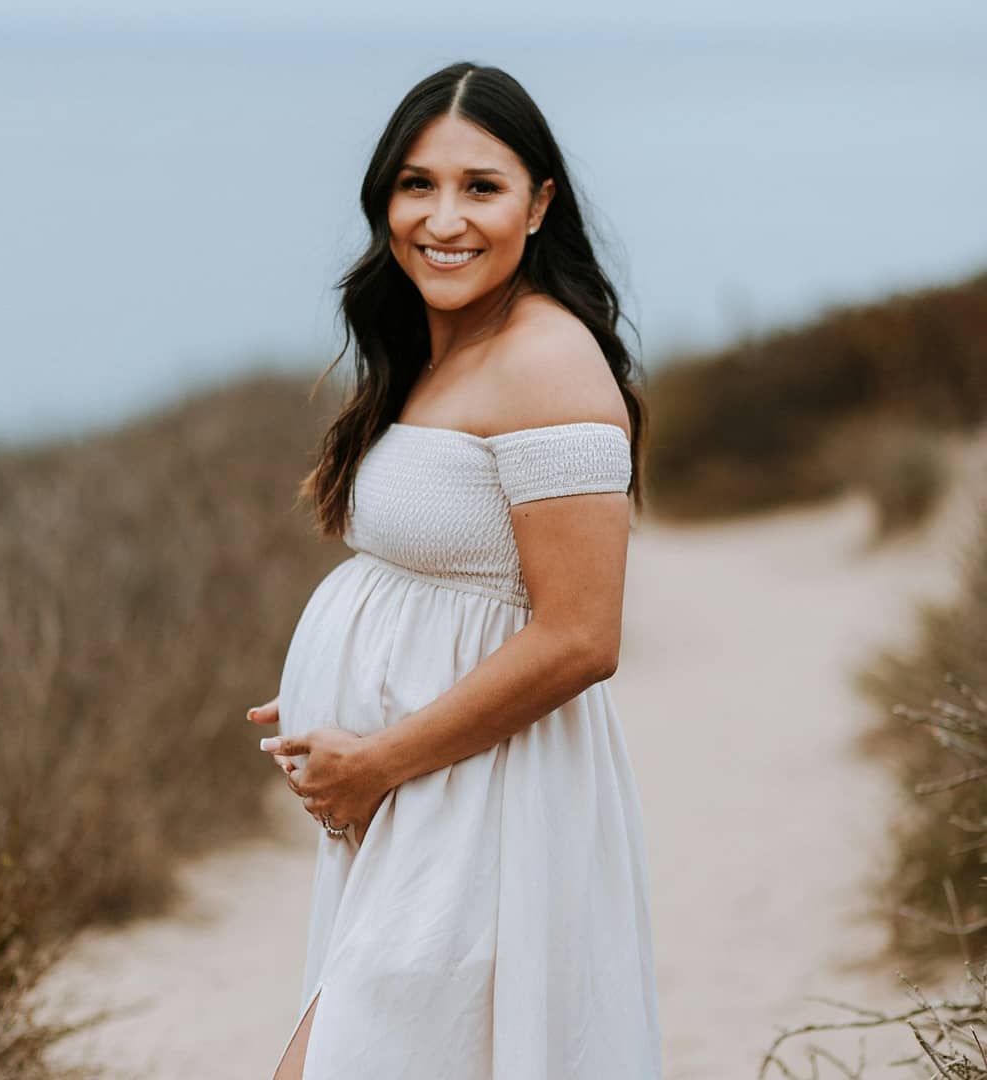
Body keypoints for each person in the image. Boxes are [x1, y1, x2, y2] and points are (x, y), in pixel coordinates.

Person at [247, 60, 662, 1079]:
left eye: (482, 187)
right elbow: (455, 589)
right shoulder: (441, 351)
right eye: (417, 184)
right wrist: (351, 678)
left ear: (539, 204)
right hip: (426, 786)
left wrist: (379, 759)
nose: (444, 218)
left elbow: (580, 637)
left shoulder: (547, 361)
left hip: (484, 805)